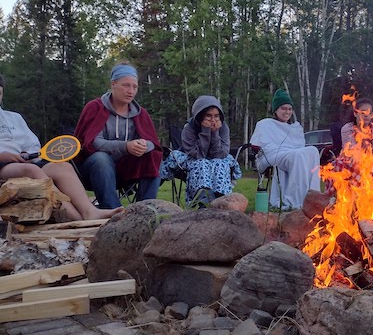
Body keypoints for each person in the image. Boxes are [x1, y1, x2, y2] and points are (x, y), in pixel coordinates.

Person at [0, 75, 120, 221]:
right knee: (31, 170)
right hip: (4, 166)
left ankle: (90, 211)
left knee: (62, 166)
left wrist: (28, 154)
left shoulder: (14, 118)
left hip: (25, 162)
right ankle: (77, 219)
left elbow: (32, 144)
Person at [74, 63, 162, 209]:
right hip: (93, 171)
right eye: (126, 85)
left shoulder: (140, 113)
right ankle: (114, 211)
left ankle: (144, 209)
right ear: (113, 84)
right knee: (101, 158)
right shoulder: (95, 108)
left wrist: (144, 145)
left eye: (135, 87)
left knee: (154, 156)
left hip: (125, 171)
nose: (131, 91)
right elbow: (92, 143)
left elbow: (153, 142)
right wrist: (126, 146)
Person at [160, 96, 241, 206]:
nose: (213, 120)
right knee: (201, 163)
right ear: (199, 115)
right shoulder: (189, 128)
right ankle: (205, 200)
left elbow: (220, 154)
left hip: (217, 158)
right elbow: (198, 154)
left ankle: (221, 200)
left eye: (216, 116)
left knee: (220, 163)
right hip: (193, 159)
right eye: (208, 116)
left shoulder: (223, 128)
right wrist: (206, 132)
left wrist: (215, 133)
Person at [249, 88, 320, 210]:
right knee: (297, 156)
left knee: (312, 150)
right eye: (283, 108)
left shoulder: (295, 127)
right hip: (271, 154)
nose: (287, 112)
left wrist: (293, 151)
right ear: (276, 110)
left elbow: (300, 146)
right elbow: (260, 146)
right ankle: (296, 201)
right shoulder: (265, 124)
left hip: (292, 154)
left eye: (289, 109)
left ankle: (313, 197)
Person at [328, 98, 373, 193]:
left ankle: (372, 195)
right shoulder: (347, 128)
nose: (366, 116)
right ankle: (346, 194)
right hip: (350, 158)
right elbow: (350, 148)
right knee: (342, 162)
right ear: (355, 113)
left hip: (370, 159)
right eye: (363, 112)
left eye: (369, 113)